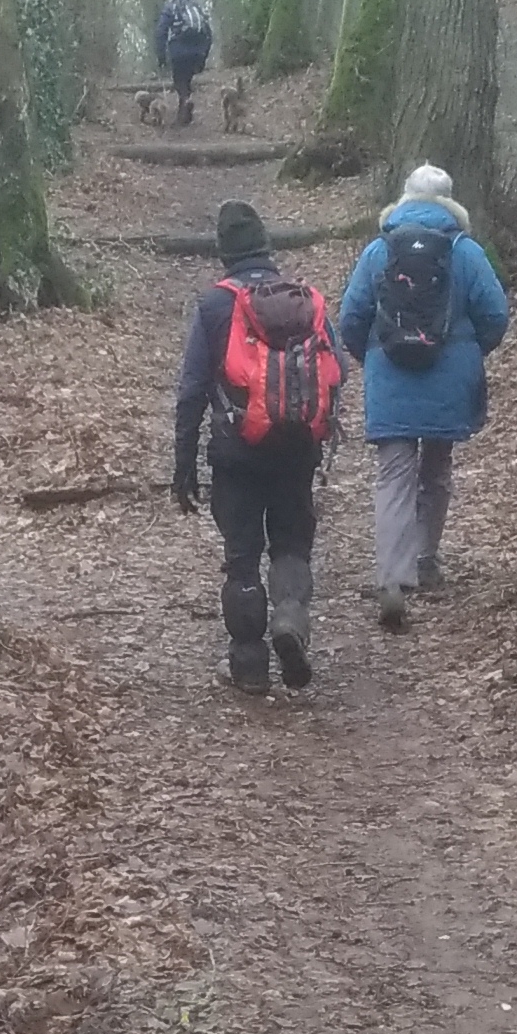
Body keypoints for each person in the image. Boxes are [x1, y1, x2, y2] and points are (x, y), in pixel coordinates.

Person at [172, 200, 343, 694]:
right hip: (296, 449)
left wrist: (184, 466)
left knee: (242, 556)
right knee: (290, 542)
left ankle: (249, 666)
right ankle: (289, 619)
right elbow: (339, 372)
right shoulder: (302, 300)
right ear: (266, 245)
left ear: (224, 252)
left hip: (236, 454)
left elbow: (191, 390)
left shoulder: (215, 306)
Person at [336, 163, 510, 631]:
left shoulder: (379, 250)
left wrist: (372, 355)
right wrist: (469, 353)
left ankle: (393, 577)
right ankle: (426, 560)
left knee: (394, 475)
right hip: (450, 373)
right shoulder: (465, 251)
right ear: (450, 203)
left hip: (389, 373)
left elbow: (351, 317)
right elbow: (495, 313)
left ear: (404, 198)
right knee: (436, 468)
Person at [155, 0, 213, 125]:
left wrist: (161, 56)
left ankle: (185, 103)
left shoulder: (171, 7)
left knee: (179, 81)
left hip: (178, 51)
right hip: (198, 51)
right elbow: (209, 33)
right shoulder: (196, 7)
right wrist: (204, 55)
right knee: (186, 80)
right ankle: (185, 112)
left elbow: (161, 31)